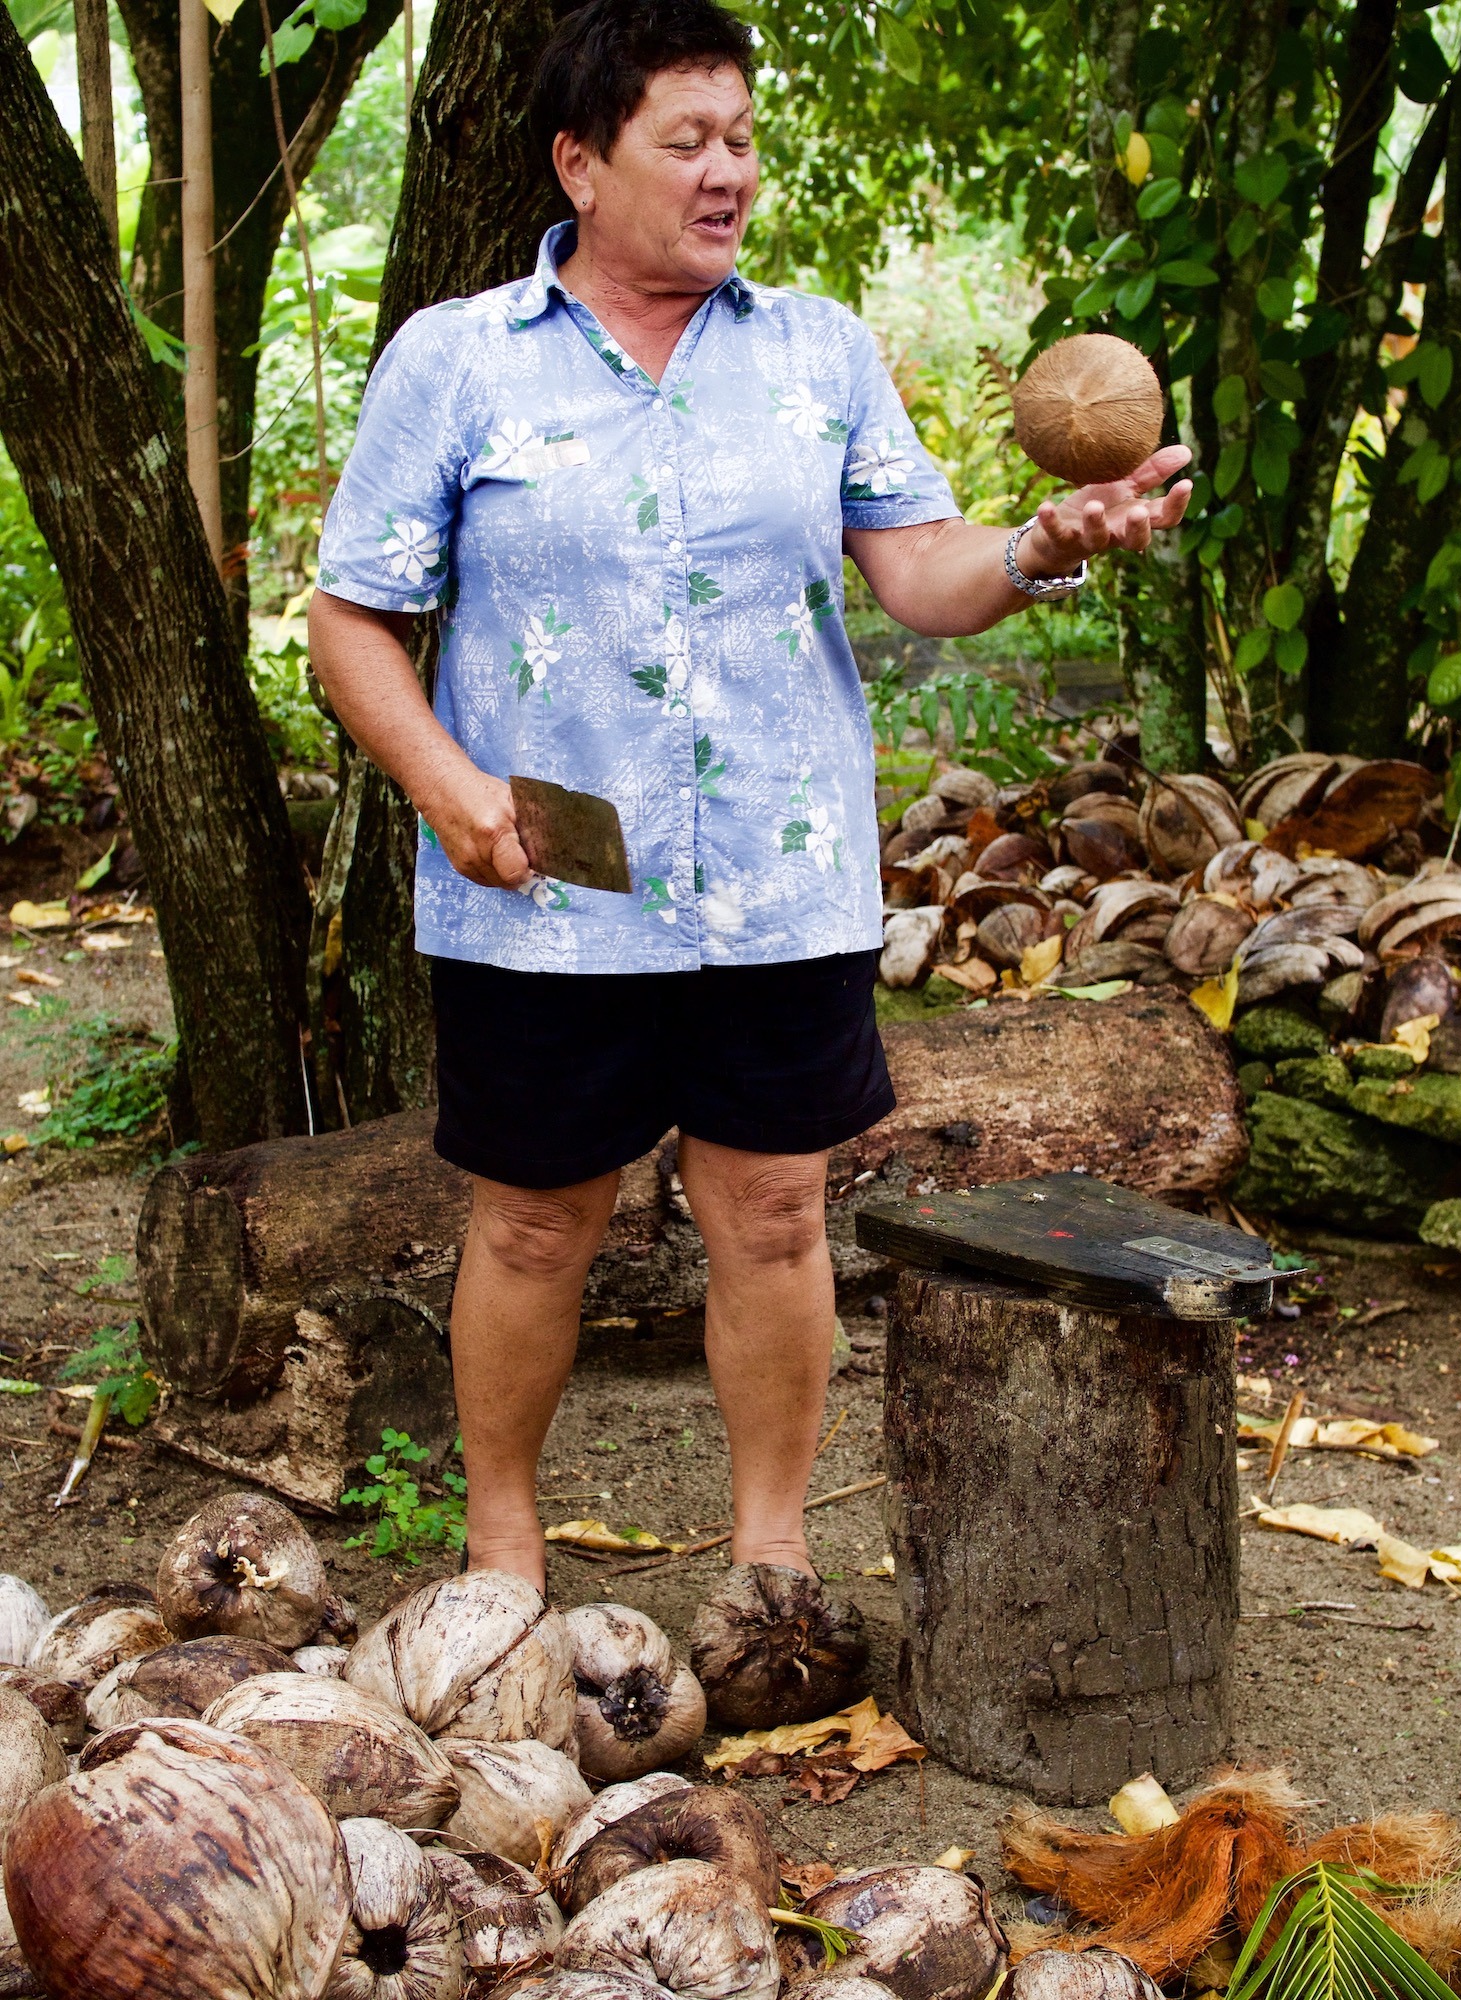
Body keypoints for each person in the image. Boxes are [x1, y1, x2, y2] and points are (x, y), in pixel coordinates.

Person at [308, 0, 1192, 1615]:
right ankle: (503, 1546)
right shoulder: (457, 361)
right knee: (530, 1226)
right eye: (686, 142)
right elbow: (349, 617)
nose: (729, 177)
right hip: (547, 891)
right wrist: (446, 788)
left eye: (743, 142)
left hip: (779, 879)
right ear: (580, 162)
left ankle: (770, 1558)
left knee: (780, 1212)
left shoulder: (818, 353)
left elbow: (920, 573)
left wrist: (1047, 542)